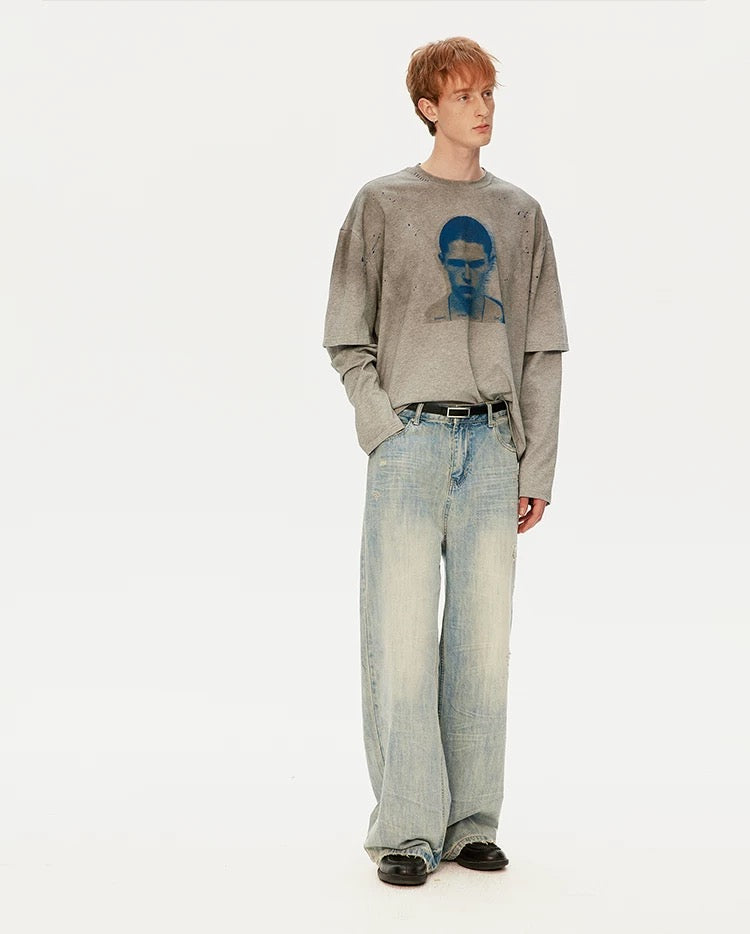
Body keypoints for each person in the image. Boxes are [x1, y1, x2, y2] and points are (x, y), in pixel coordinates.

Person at [322, 36, 570, 887]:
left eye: (489, 92)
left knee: (482, 643)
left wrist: (535, 466)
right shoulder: (382, 204)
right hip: (410, 442)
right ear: (428, 107)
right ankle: (406, 829)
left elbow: (542, 350)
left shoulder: (520, 214)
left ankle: (470, 823)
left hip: (493, 446)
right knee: (399, 638)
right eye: (464, 95)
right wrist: (382, 426)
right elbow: (346, 332)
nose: (483, 108)